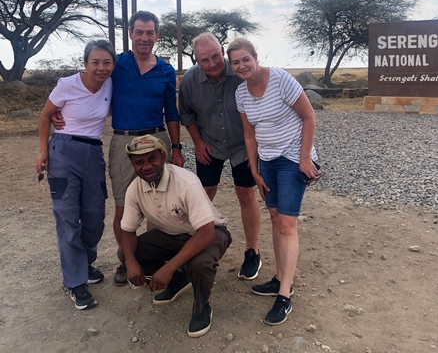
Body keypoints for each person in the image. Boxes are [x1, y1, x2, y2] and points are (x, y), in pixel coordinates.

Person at [52, 11, 185, 285]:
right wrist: (56, 110)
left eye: (150, 32)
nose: (144, 38)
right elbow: (85, 80)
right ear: (131, 34)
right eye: (139, 32)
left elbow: (172, 112)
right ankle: (127, 260)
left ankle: (150, 258)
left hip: (157, 139)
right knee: (124, 206)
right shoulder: (117, 64)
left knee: (157, 204)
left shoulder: (166, 70)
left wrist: (177, 147)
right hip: (124, 141)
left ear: (157, 35)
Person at [226, 37, 318, 326]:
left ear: (256, 57)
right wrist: (254, 169)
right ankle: (279, 278)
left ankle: (285, 294)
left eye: (245, 60)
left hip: (292, 158)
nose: (242, 66)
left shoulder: (281, 80)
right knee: (276, 217)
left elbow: (309, 117)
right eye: (236, 62)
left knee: (288, 224)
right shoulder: (241, 93)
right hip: (266, 160)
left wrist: (305, 158)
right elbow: (249, 134)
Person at [121, 134, 231, 338]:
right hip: (172, 234)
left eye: (151, 159)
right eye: (139, 162)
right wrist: (129, 261)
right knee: (128, 252)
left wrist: (169, 267)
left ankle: (201, 307)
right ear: (132, 164)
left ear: (163, 157)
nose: (146, 167)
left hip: (210, 232)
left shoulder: (186, 182)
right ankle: (178, 281)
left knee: (199, 263)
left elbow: (206, 233)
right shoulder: (134, 189)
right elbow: (127, 231)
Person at [35, 39, 116, 310]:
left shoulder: (110, 85)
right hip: (64, 150)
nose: (101, 68)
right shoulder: (67, 85)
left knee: (94, 216)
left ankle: (85, 263)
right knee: (68, 216)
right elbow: (46, 116)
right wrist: (43, 152)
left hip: (93, 153)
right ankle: (74, 283)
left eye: (107, 62)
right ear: (85, 63)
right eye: (95, 62)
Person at [178, 33, 262, 280]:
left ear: (223, 50)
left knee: (246, 193)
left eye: (216, 56)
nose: (212, 63)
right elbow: (187, 115)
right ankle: (195, 246)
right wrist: (197, 142)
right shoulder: (190, 81)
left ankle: (252, 251)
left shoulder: (241, 71)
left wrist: (255, 146)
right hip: (209, 144)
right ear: (196, 60)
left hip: (242, 145)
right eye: (204, 60)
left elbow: (259, 105)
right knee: (202, 195)